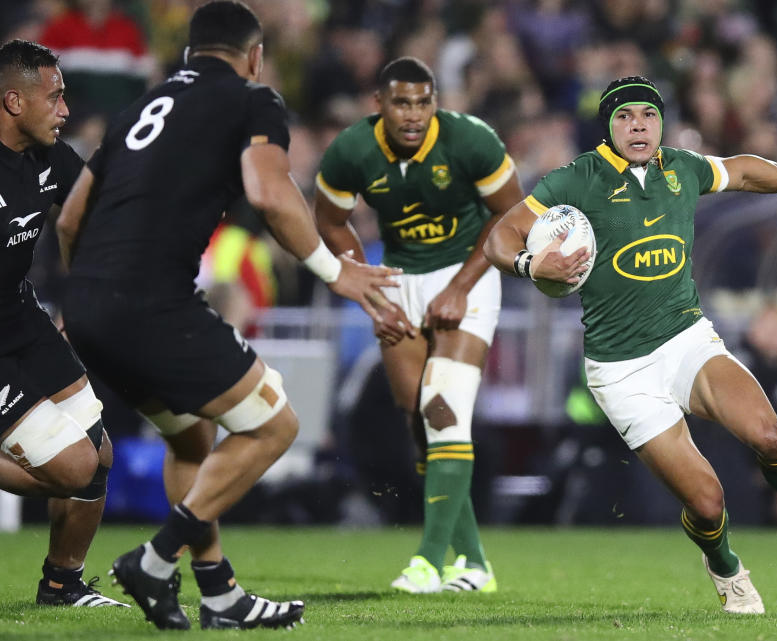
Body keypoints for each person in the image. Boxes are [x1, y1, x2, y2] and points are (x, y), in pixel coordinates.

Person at [56, 1, 400, 630]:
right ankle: (156, 561)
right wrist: (335, 271)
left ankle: (219, 592)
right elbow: (270, 192)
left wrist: (91, 298)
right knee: (274, 425)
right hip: (152, 303)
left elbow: (72, 217)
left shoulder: (142, 106)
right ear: (254, 56)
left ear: (190, 53)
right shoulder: (253, 98)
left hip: (88, 304)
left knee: (192, 437)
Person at [483, 75, 777, 614]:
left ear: (661, 122)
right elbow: (499, 239)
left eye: (647, 114)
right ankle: (725, 567)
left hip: (685, 339)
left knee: (769, 435)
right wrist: (535, 263)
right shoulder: (577, 179)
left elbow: (741, 169)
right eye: (624, 117)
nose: (638, 124)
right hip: (621, 370)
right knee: (708, 502)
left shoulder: (681, 167)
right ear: (609, 127)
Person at [314, 56, 523, 593]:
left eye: (423, 102)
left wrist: (459, 287)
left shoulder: (470, 139)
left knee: (443, 406)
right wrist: (362, 281)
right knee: (420, 423)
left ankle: (429, 561)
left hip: (469, 275)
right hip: (399, 281)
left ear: (436, 103)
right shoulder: (352, 151)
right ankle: (474, 563)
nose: (413, 114)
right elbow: (329, 220)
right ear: (378, 104)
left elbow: (512, 216)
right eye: (402, 102)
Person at [0, 39, 127, 609]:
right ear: (13, 101)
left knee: (98, 455)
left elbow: (97, 217)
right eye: (54, 98)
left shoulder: (49, 158)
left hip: (20, 316)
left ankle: (61, 585)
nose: (65, 110)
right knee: (74, 466)